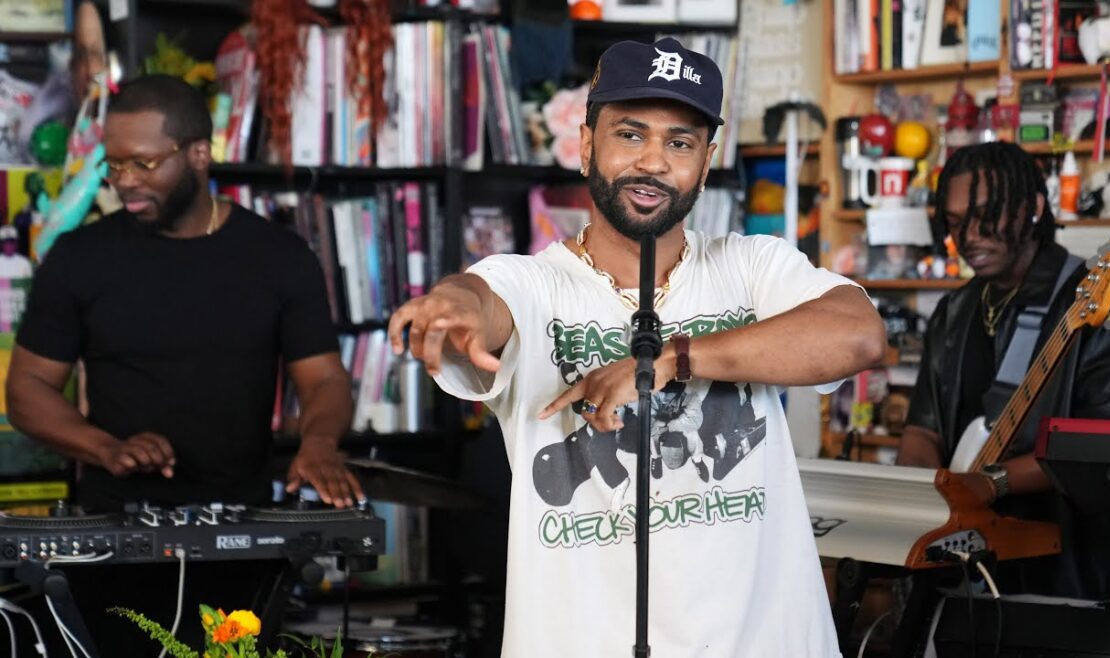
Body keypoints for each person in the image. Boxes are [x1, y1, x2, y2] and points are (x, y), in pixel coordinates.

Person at [388, 37, 886, 657]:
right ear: (587, 145)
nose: (653, 161)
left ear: (705, 164)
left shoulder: (753, 266)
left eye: (679, 142)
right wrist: (454, 305)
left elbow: (859, 332)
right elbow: (483, 300)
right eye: (630, 134)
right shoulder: (532, 283)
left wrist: (670, 360)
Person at [6, 74, 363, 654]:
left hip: (245, 531)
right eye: (114, 165)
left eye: (144, 164)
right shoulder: (79, 258)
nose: (125, 182)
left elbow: (322, 378)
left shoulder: (278, 257)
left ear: (199, 153)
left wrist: (319, 443)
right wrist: (105, 447)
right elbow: (26, 391)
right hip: (111, 535)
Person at [896, 141, 1110, 598]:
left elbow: (1105, 441)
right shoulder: (955, 310)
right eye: (955, 224)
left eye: (986, 215)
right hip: (969, 565)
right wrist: (922, 499)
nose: (968, 237)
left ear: (1034, 207)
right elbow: (923, 430)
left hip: (1076, 567)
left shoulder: (1105, 304)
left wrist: (992, 482)